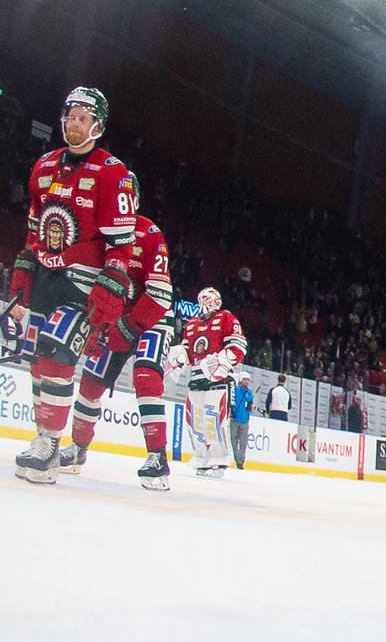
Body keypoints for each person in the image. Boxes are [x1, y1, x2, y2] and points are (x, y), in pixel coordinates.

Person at [9, 88, 140, 485]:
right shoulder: (45, 166)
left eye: (83, 117)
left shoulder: (114, 174)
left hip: (83, 283)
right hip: (46, 277)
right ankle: (42, 437)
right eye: (70, 115)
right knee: (37, 362)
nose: (74, 123)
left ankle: (50, 445)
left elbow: (122, 244)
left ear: (98, 125)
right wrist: (22, 277)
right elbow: (34, 231)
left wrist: (111, 287)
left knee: (57, 356)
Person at [58, 172, 176, 483]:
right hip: (115, 319)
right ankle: (78, 448)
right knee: (90, 382)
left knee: (147, 376)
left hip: (153, 318)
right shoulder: (99, 230)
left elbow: (161, 293)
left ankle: (158, 457)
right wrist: (96, 325)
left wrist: (130, 325)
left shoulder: (150, 232)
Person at [169, 287, 247, 477]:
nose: (206, 302)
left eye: (209, 298)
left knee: (214, 419)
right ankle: (201, 457)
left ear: (217, 301)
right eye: (203, 298)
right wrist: (179, 358)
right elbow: (188, 351)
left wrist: (223, 360)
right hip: (196, 378)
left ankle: (219, 459)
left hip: (217, 378)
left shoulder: (226, 318)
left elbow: (238, 345)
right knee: (194, 420)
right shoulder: (191, 324)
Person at [229, 371, 253, 470]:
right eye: (245, 380)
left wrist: (250, 406)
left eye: (248, 380)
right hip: (235, 419)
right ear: (240, 380)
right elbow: (230, 402)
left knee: (243, 443)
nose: (246, 382)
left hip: (245, 420)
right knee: (233, 441)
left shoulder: (249, 393)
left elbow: (250, 406)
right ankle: (236, 459)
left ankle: (240, 462)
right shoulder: (235, 390)